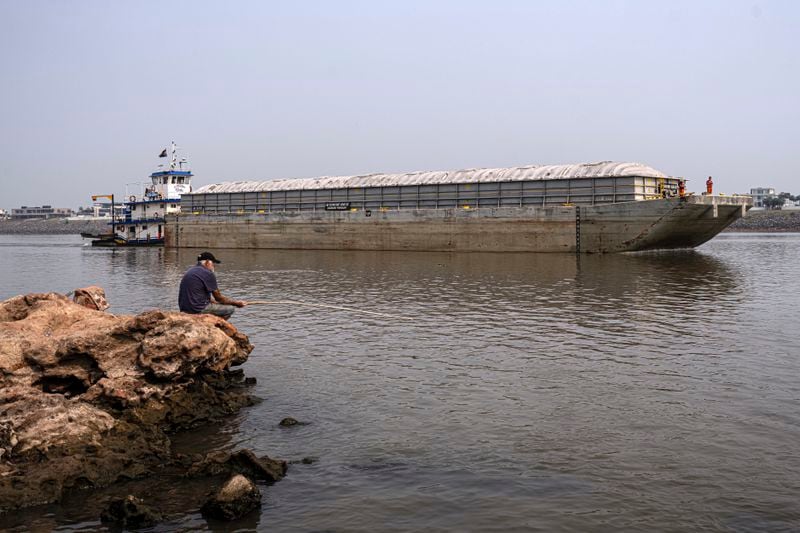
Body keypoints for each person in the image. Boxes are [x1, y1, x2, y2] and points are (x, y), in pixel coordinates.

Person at [178, 251, 247, 320]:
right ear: (207, 262)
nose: (214, 266)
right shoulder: (207, 273)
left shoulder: (190, 271)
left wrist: (216, 302)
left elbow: (199, 295)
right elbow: (219, 298)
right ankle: (215, 326)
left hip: (184, 308)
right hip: (197, 309)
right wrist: (236, 303)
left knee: (219, 305)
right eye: (213, 263)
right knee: (230, 309)